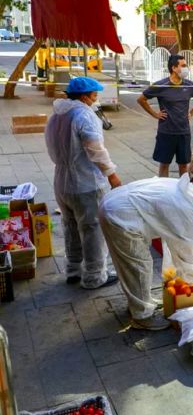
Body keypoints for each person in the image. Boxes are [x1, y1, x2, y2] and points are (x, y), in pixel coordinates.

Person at [98, 176, 193, 330]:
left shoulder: (186, 192)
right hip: (119, 216)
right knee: (138, 266)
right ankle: (142, 316)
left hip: (116, 204)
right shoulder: (186, 210)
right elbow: (183, 250)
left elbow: (172, 238)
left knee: (133, 266)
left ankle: (140, 302)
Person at [45, 77, 121, 289]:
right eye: (94, 95)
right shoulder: (83, 116)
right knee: (91, 229)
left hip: (61, 181)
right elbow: (95, 149)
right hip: (85, 183)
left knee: (70, 225)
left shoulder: (57, 116)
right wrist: (111, 173)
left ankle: (73, 270)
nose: (96, 99)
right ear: (84, 96)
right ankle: (95, 276)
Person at [137, 54, 193, 178]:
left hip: (183, 132)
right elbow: (141, 99)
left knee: (183, 165)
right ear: (174, 68)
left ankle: (183, 191)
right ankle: (164, 192)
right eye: (183, 66)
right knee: (164, 164)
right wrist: (155, 114)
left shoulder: (189, 85)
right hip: (166, 132)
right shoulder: (160, 85)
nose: (186, 68)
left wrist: (191, 112)